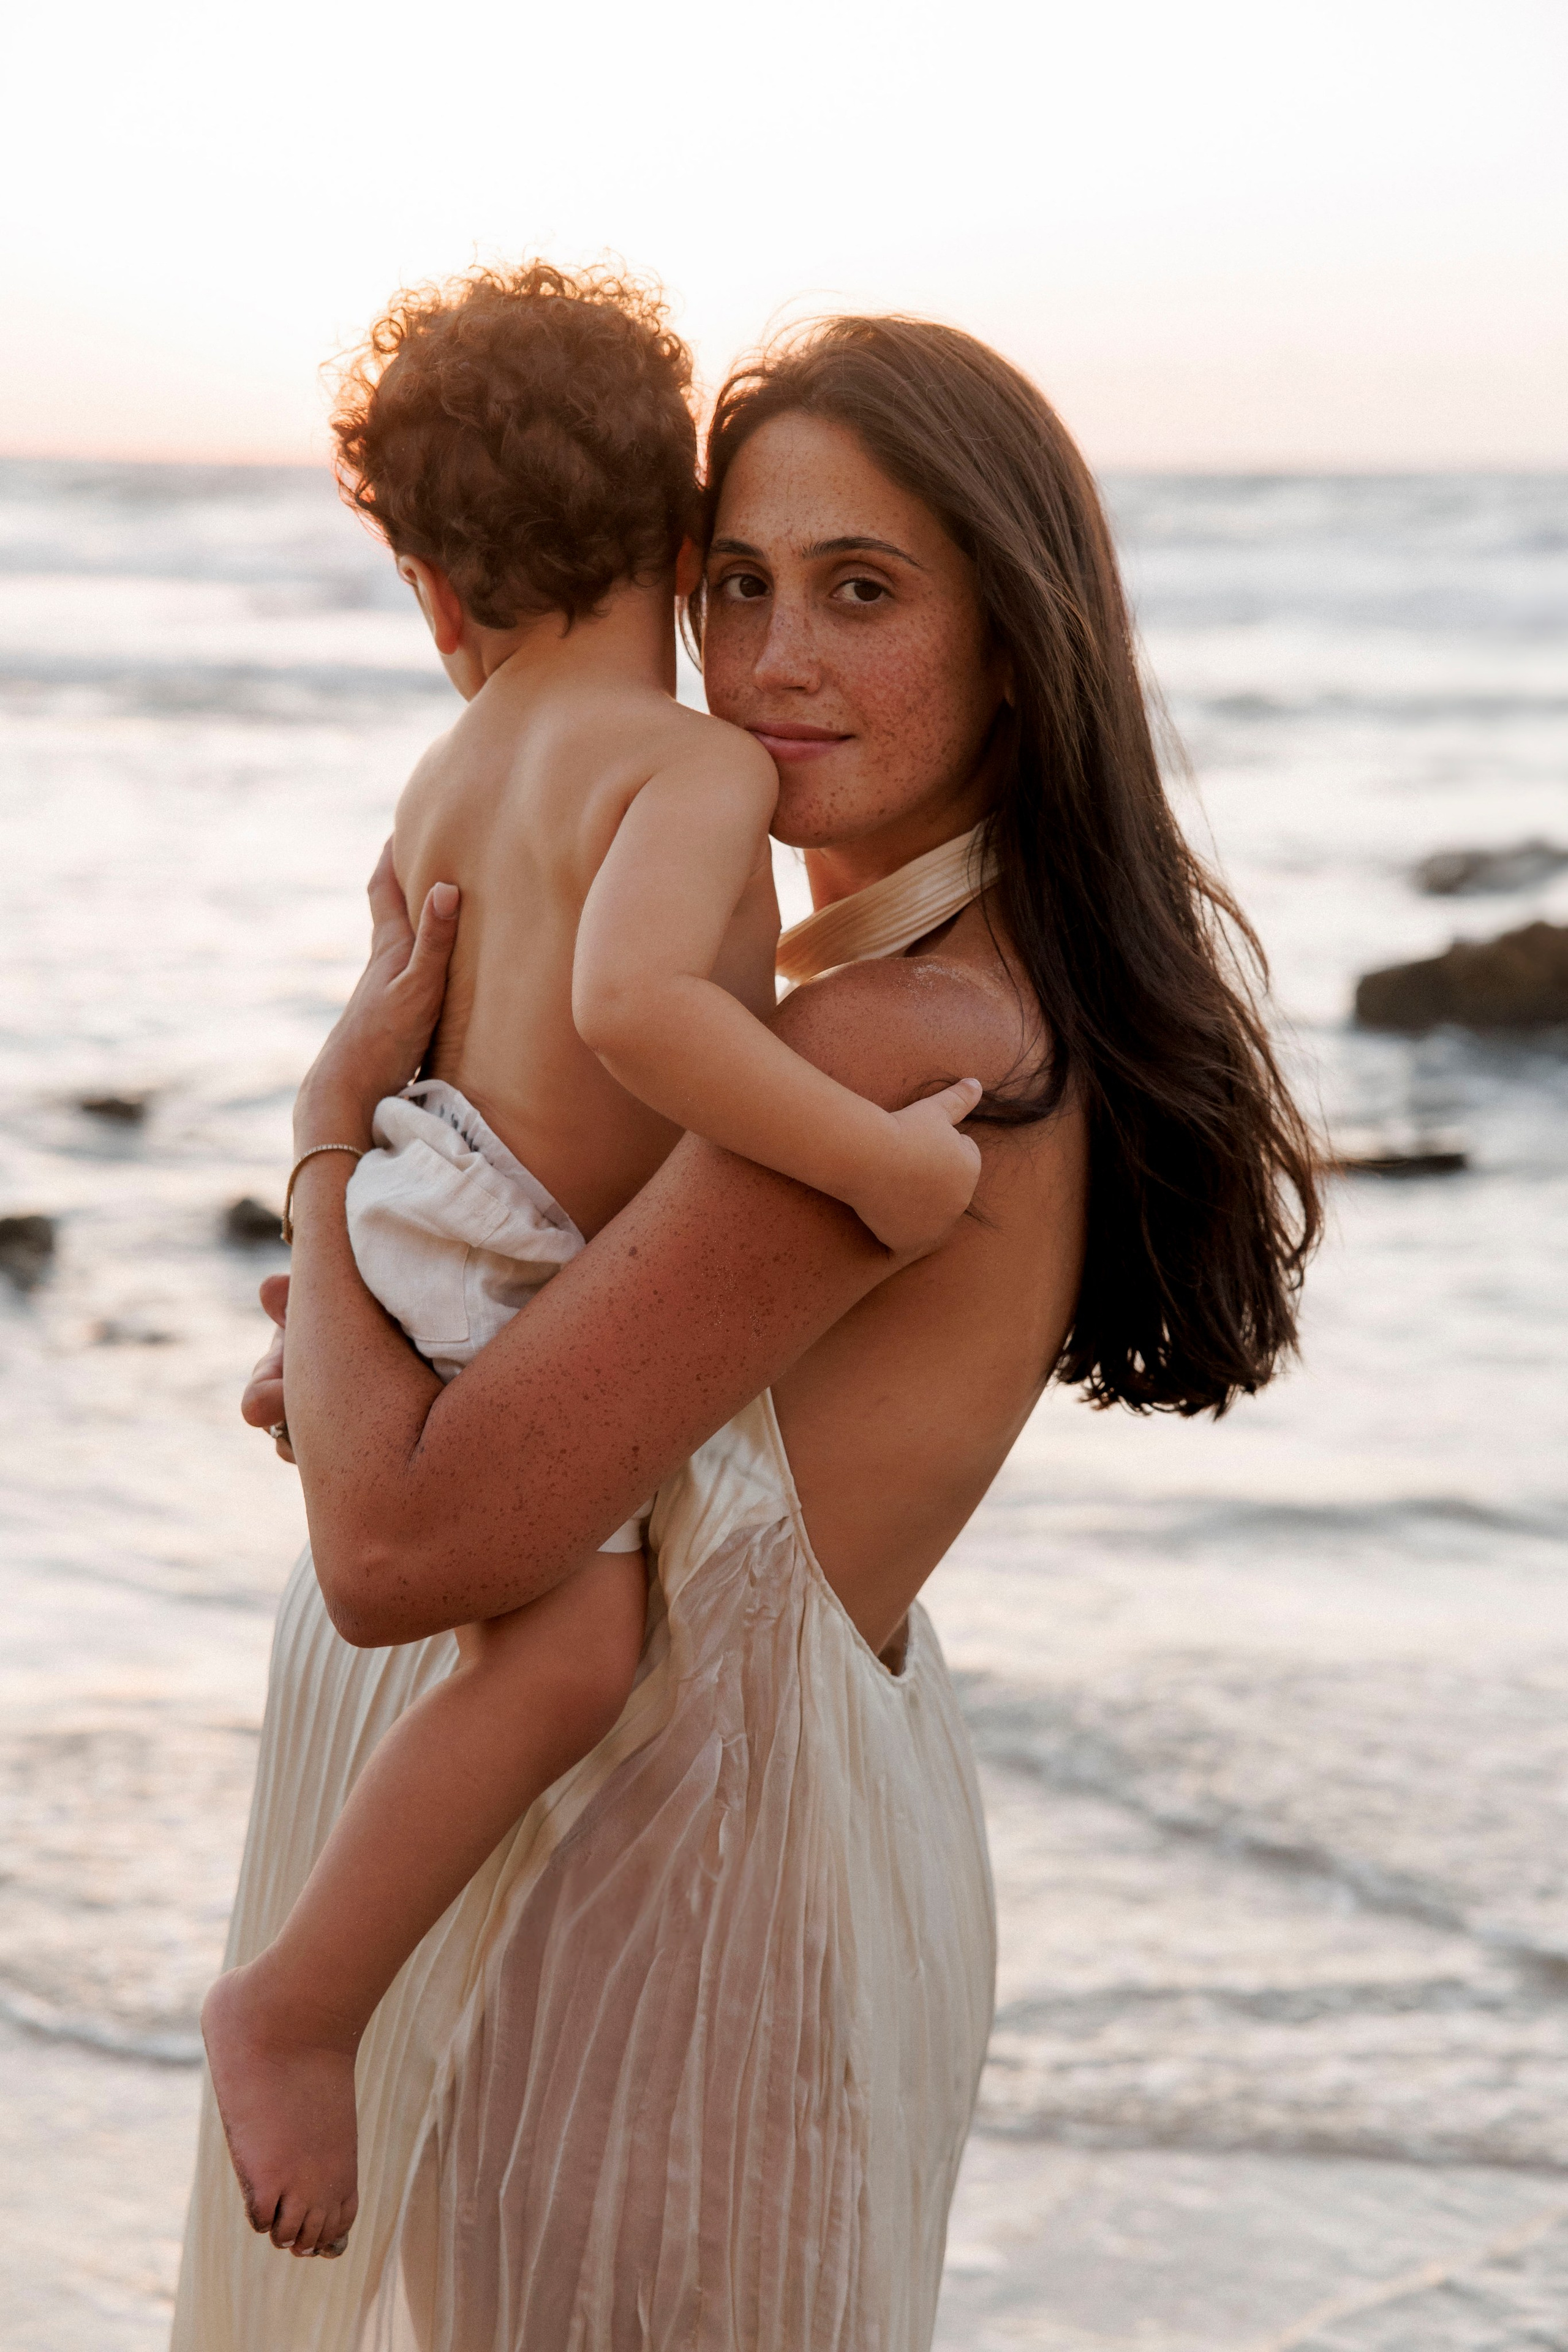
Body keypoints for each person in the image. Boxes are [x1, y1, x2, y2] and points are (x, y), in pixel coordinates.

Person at [174, 312, 1320, 2352]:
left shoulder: (889, 1044)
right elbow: (547, 1422)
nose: (774, 659)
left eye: (861, 593)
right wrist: (384, 1355)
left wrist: (331, 1141)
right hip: (658, 1891)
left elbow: (402, 1549)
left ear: (1012, 638)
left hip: (675, 1945)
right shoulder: (850, 1003)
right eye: (736, 586)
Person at [198, 262, 984, 2265]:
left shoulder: (456, 764)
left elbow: (458, 1052)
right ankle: (294, 2006)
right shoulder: (683, 761)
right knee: (566, 1648)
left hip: (449, 1216)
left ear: (441, 588)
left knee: (534, 1615)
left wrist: (371, 1296)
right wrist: (874, 1171)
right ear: (675, 535)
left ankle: (336, 1380)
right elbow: (642, 1017)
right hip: (516, 1252)